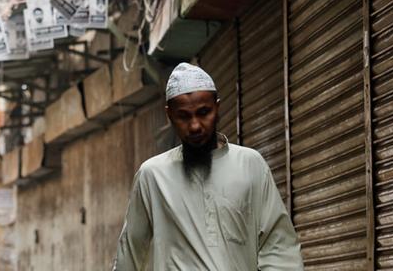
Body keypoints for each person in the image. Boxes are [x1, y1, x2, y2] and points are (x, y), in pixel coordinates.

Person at [112, 63, 303, 270]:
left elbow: (280, 249)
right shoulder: (152, 176)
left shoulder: (250, 164)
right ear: (170, 115)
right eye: (184, 116)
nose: (195, 125)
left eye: (204, 113)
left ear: (217, 107)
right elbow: (129, 255)